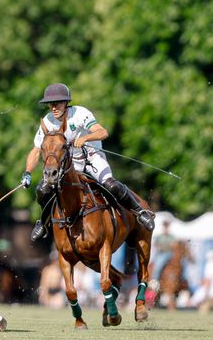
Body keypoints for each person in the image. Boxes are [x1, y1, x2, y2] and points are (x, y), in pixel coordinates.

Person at [20, 83, 155, 241]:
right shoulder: (48, 121)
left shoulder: (80, 113)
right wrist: (27, 172)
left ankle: (139, 212)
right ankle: (43, 223)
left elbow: (103, 132)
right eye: (50, 104)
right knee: (43, 190)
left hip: (92, 157)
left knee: (110, 184)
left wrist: (85, 138)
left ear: (66, 103)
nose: (53, 107)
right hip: (70, 164)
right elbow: (36, 150)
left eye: (57, 103)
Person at [149, 220, 177, 289]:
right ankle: (154, 282)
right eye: (165, 226)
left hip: (169, 253)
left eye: (167, 226)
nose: (166, 228)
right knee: (157, 266)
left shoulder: (171, 236)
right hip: (161, 254)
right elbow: (155, 244)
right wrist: (161, 246)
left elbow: (174, 245)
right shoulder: (159, 236)